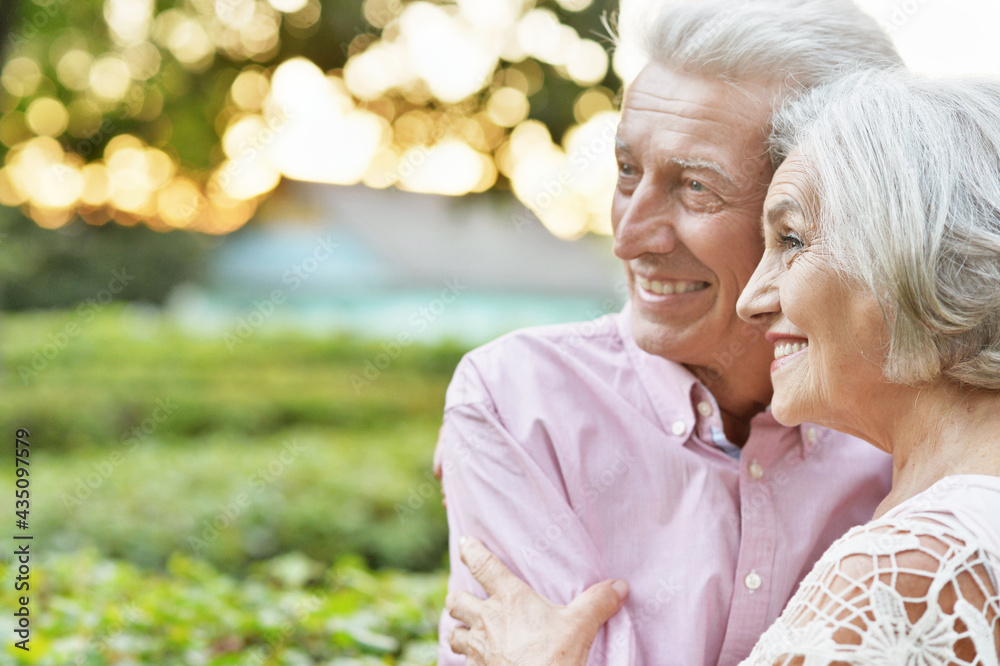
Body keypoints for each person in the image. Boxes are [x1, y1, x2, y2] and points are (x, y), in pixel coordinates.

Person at [447, 68, 1000, 663]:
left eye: (790, 240)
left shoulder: (899, 571)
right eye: (626, 171)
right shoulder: (514, 398)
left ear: (914, 253)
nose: (752, 299)